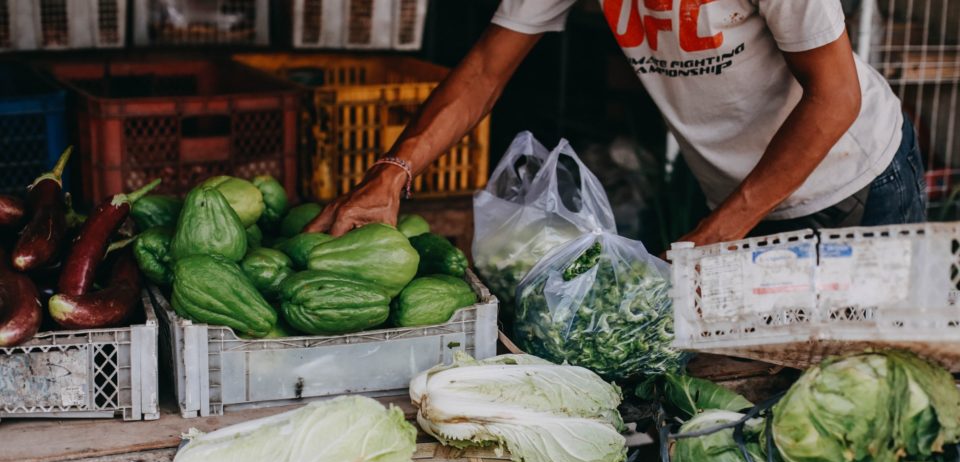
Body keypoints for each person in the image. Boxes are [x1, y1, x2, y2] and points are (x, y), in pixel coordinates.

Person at [306, 0, 926, 246]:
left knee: (857, 391)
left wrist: (728, 221)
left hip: (856, 183)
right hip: (738, 202)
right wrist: (393, 170)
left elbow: (835, 95)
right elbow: (486, 70)